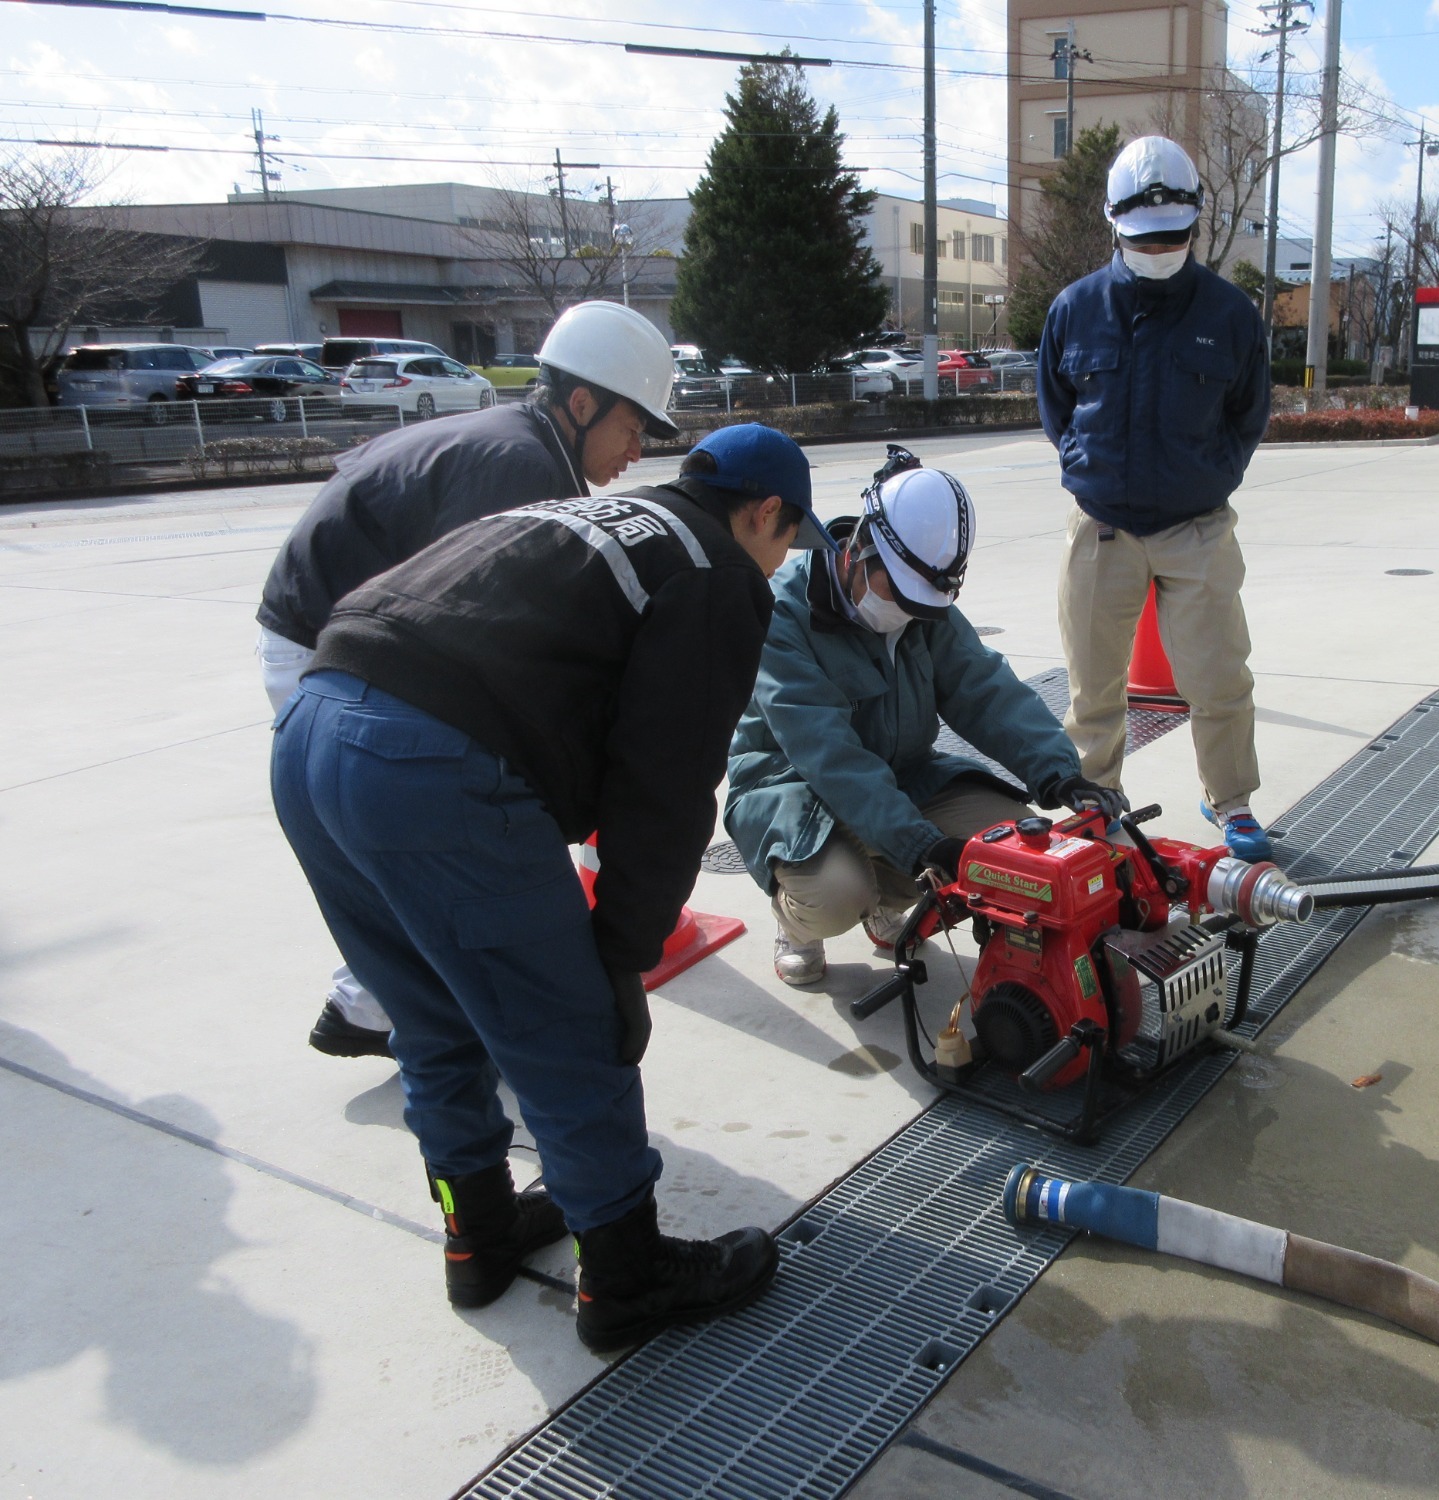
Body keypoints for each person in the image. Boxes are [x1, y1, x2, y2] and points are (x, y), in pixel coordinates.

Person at [269, 423, 835, 1349]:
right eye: (786, 542)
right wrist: (620, 958)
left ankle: (478, 1233)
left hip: (312, 729)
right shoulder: (714, 569)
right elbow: (665, 786)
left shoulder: (591, 516)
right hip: (426, 765)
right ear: (763, 511)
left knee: (429, 1014)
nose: (780, 565)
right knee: (569, 1031)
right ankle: (624, 1275)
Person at [256, 300, 672, 1061]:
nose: (637, 451)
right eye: (633, 427)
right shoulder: (520, 469)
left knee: (403, 850)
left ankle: (368, 1004)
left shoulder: (521, 444)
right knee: (429, 843)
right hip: (328, 651)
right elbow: (484, 628)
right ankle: (387, 1012)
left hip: (328, 634)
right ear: (582, 404)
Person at [726, 446, 1126, 987]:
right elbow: (828, 756)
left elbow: (984, 689)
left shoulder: (923, 601)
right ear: (860, 548)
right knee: (837, 893)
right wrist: (921, 845)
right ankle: (799, 925)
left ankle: (883, 897)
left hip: (902, 774)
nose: (905, 611)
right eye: (897, 592)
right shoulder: (781, 614)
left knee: (1007, 847)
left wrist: (1059, 772)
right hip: (793, 788)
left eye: (919, 603)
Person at [1036, 135, 1276, 861]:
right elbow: (1056, 407)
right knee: (1092, 684)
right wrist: (1088, 466)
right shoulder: (1075, 309)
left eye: (1173, 235)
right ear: (1114, 223)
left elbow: (1248, 415)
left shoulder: (1230, 314)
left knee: (1219, 675)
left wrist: (1210, 477)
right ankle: (1094, 804)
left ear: (1196, 221)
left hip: (1196, 528)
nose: (1160, 248)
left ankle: (1230, 799)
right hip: (1102, 524)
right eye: (1146, 237)